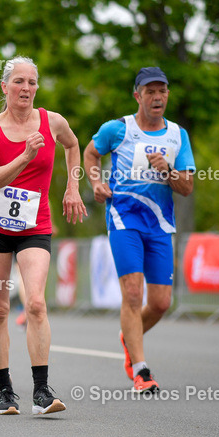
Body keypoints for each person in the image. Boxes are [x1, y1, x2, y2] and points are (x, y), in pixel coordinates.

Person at [0, 57, 87, 415]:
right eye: (19, 82)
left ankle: (41, 390)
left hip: (34, 226)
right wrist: (25, 156)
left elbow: (73, 145)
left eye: (32, 82)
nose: (26, 89)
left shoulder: (52, 121)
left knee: (36, 303)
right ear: (4, 87)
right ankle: (5, 390)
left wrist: (73, 185)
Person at [83, 66, 195, 394]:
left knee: (160, 303)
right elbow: (91, 152)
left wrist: (169, 170)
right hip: (123, 218)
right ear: (138, 96)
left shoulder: (178, 135)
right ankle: (141, 370)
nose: (157, 96)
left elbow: (186, 188)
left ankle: (128, 336)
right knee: (133, 294)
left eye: (162, 90)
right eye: (150, 91)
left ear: (168, 95)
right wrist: (96, 182)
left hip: (160, 225)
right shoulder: (117, 129)